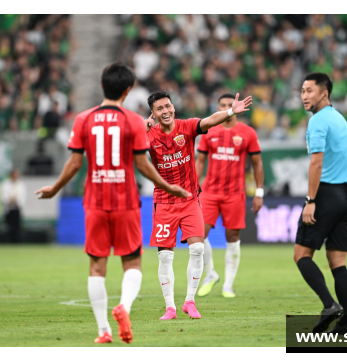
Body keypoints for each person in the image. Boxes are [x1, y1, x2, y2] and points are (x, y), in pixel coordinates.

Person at [36, 63, 190, 344]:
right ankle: (125, 308)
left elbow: (74, 162)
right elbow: (142, 163)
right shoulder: (132, 120)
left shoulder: (83, 119)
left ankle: (103, 330)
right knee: (132, 262)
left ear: (101, 87)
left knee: (97, 266)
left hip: (95, 201)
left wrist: (55, 188)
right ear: (128, 90)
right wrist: (169, 186)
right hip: (126, 202)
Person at [145, 90, 252, 320]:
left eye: (168, 106)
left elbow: (211, 120)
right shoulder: (148, 136)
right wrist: (140, 129)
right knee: (165, 257)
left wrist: (231, 110)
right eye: (159, 109)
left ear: (173, 107)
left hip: (190, 200)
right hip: (163, 202)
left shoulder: (187, 127)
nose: (165, 111)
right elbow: (127, 145)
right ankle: (170, 307)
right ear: (153, 113)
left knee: (197, 248)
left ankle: (189, 302)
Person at [295, 73, 347, 334]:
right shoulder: (339, 118)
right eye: (302, 91)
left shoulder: (318, 122)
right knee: (337, 261)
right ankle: (345, 323)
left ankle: (329, 305)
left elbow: (316, 162)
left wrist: (311, 201)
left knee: (301, 255)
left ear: (324, 93)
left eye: (310, 90)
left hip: (327, 196)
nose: (304, 96)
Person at [194, 93, 264, 298]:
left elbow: (258, 164)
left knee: (232, 237)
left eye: (229, 105)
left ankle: (228, 285)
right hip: (209, 192)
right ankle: (211, 274)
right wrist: (194, 186)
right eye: (222, 105)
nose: (226, 108)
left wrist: (259, 192)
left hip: (235, 193)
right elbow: (200, 161)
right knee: (199, 234)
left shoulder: (247, 133)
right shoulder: (209, 130)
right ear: (217, 108)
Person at [0, 168, 26, 244]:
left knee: (17, 227)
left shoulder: (21, 185)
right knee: (9, 227)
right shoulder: (5, 184)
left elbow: (22, 197)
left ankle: (17, 243)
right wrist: (9, 200)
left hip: (17, 209)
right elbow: (3, 196)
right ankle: (9, 243)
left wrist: (16, 200)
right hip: (8, 209)